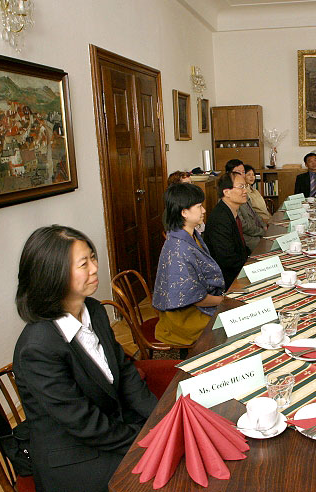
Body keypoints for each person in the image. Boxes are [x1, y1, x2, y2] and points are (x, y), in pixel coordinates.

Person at [13, 225, 157, 492]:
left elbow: (124, 372)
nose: (94, 268)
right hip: (74, 456)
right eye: (83, 263)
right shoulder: (38, 348)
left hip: (112, 425)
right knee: (162, 469)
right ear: (52, 275)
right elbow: (84, 424)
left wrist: (159, 416)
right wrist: (145, 438)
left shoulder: (93, 309)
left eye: (92, 257)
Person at [153, 183, 225, 345]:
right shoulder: (179, 249)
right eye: (199, 206)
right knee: (231, 324)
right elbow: (195, 298)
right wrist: (224, 300)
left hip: (196, 304)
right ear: (184, 212)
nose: (204, 210)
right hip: (184, 317)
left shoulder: (189, 235)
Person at [204, 171, 251, 289]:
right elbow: (227, 259)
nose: (245, 191)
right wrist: (252, 268)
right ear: (227, 192)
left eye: (245, 186)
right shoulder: (220, 218)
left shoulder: (230, 211)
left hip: (237, 269)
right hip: (226, 279)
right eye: (241, 187)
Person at [225, 159, 266, 251]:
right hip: (248, 239)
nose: (241, 175)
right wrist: (262, 231)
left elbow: (254, 213)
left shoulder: (245, 192)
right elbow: (242, 225)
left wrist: (263, 226)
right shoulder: (232, 196)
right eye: (238, 172)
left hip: (257, 232)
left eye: (243, 172)